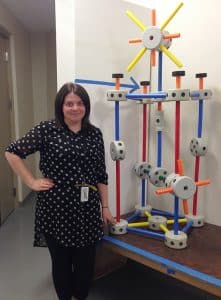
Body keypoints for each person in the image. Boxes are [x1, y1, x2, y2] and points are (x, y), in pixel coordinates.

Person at [5, 82, 116, 300]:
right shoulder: (46, 130)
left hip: (87, 210)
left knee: (85, 265)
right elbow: (12, 152)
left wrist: (105, 207)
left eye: (80, 103)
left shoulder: (94, 134)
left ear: (86, 107)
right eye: (69, 104)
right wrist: (31, 182)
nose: (75, 108)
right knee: (61, 263)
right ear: (61, 106)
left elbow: (101, 175)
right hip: (56, 209)